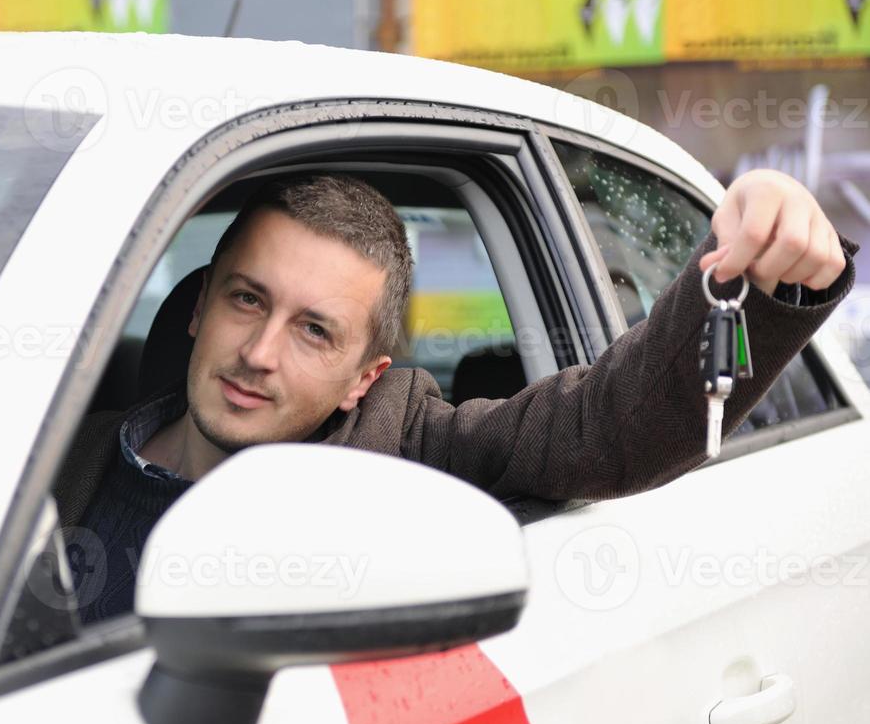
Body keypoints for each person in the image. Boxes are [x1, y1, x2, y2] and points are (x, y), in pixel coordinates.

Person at [53, 169, 860, 623]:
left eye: (315, 332)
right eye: (247, 300)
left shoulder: (407, 453)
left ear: (364, 379)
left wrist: (761, 273)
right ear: (199, 306)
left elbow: (610, 428)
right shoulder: (50, 459)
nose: (259, 354)